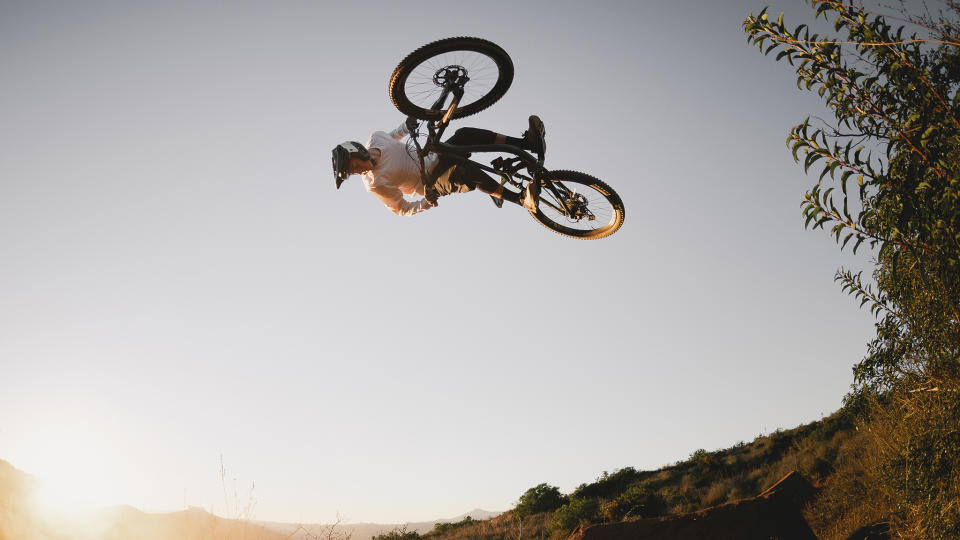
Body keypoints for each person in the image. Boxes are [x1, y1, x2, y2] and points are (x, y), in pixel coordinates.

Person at [332, 116, 546, 216]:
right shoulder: (374, 183)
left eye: (353, 166)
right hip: (430, 183)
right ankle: (522, 201)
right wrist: (426, 202)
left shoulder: (376, 138)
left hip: (435, 156)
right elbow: (400, 208)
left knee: (465, 134)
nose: (356, 172)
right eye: (352, 173)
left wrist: (407, 124)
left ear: (355, 150)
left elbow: (394, 136)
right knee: (463, 173)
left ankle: (528, 144)